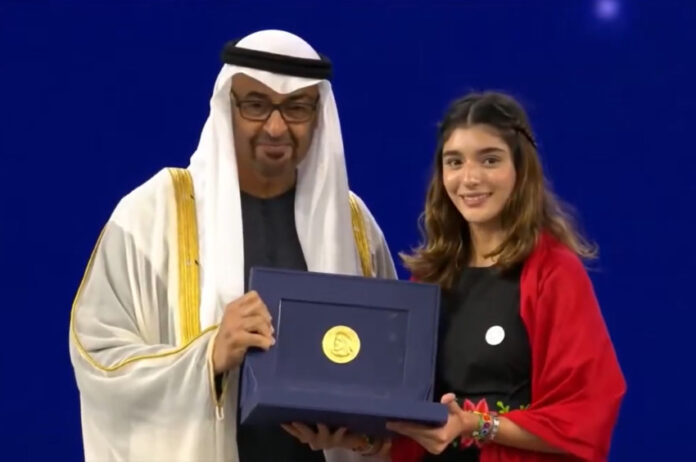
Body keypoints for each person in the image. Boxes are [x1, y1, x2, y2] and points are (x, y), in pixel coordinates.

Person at [69, 29, 396, 462]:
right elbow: (98, 357)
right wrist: (209, 356)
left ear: (319, 116)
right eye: (256, 105)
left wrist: (365, 437)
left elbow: (387, 369)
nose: (276, 127)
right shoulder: (152, 214)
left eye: (297, 108)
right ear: (228, 107)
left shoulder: (352, 222)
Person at [382, 91, 626, 462]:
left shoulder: (554, 274)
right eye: (454, 162)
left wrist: (476, 425)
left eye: (490, 160)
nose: (470, 178)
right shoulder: (429, 277)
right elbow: (410, 415)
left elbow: (585, 417)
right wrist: (358, 436)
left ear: (520, 170)